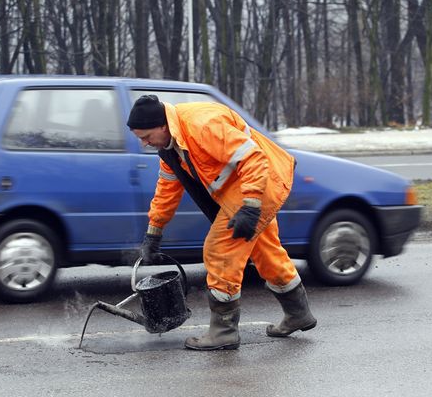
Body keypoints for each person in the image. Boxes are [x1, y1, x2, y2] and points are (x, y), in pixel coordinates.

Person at [127, 95, 316, 351]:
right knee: (266, 251)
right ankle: (298, 314)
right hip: (243, 190)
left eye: (146, 136)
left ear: (162, 125)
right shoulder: (172, 146)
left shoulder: (203, 126)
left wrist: (250, 206)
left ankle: (224, 331)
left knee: (219, 250)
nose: (144, 143)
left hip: (260, 184)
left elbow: (253, 159)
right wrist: (154, 232)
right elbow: (167, 189)